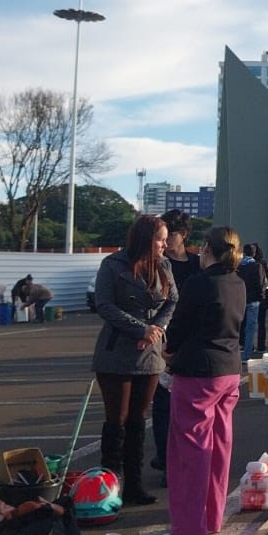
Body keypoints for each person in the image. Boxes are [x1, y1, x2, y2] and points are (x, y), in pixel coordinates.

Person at [161, 226, 246, 535]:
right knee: (219, 445)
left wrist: (167, 351)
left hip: (197, 372)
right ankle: (212, 517)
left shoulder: (199, 283)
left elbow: (179, 327)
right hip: (229, 371)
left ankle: (188, 528)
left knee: (189, 451)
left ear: (206, 250)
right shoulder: (238, 282)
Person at [92, 215, 177, 506]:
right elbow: (103, 305)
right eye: (160, 239)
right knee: (117, 420)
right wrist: (140, 329)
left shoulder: (164, 266)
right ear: (144, 239)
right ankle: (110, 487)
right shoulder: (112, 265)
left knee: (139, 421)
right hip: (116, 352)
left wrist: (157, 330)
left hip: (150, 353)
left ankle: (134, 485)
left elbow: (171, 301)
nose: (165, 245)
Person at [150, 209, 201, 479]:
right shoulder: (155, 263)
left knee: (189, 404)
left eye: (173, 233)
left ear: (185, 234)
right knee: (163, 403)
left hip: (192, 340)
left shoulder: (196, 263)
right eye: (164, 233)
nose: (168, 239)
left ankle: (186, 457)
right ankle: (165, 458)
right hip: (163, 339)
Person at [236, 243, 268, 362]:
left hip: (240, 299)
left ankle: (238, 350)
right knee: (250, 327)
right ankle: (246, 354)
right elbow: (260, 284)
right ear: (254, 253)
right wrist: (262, 297)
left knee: (238, 326)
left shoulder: (238, 266)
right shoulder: (256, 266)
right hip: (253, 300)